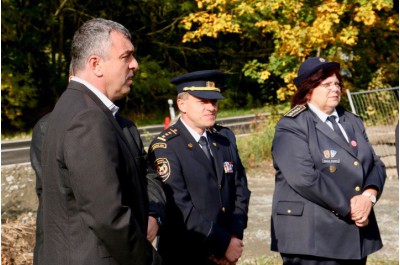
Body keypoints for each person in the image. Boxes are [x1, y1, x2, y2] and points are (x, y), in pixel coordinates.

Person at [39, 18, 161, 265]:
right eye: (126, 57)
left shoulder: (71, 106)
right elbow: (108, 216)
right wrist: (150, 260)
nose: (135, 65)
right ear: (96, 64)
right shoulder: (87, 117)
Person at [270, 57, 386, 264]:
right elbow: (305, 178)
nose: (335, 89)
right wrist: (351, 208)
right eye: (327, 84)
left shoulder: (351, 120)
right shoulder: (292, 125)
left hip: (354, 233)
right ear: (308, 90)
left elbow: (375, 164)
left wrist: (368, 196)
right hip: (314, 238)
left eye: (337, 83)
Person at [148, 70, 251, 265]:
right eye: (203, 101)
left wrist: (235, 237)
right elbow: (180, 206)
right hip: (185, 253)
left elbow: (240, 191)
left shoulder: (224, 139)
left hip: (226, 254)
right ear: (182, 104)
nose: (211, 107)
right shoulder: (166, 146)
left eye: (214, 102)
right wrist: (222, 243)